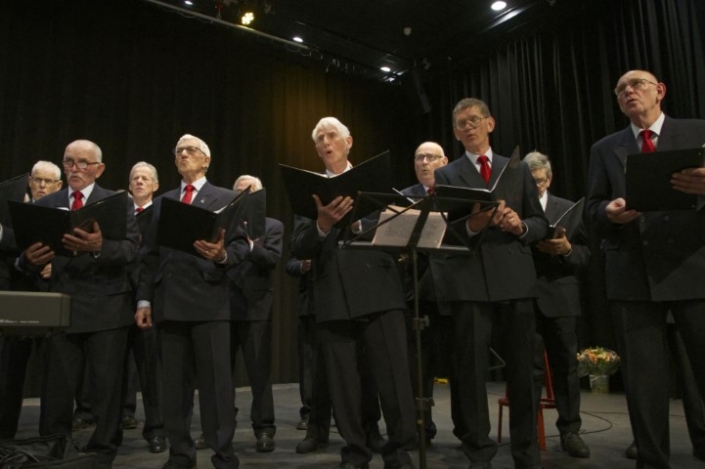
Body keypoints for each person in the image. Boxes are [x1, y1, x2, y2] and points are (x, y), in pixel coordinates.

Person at [586, 69, 705, 469]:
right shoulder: (605, 148)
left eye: (637, 85)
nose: (628, 91)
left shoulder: (698, 132)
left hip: (694, 269)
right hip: (633, 275)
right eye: (621, 89)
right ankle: (652, 460)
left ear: (660, 91)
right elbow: (591, 208)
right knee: (644, 382)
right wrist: (608, 213)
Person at [290, 117, 416, 469]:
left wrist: (362, 222)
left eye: (331, 136)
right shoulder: (308, 193)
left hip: (379, 290)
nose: (325, 142)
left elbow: (401, 229)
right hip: (332, 294)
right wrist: (322, 224)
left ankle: (398, 451)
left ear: (348, 142)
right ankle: (356, 452)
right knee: (344, 384)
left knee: (393, 378)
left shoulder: (376, 184)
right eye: (319, 139)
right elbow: (298, 246)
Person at [431, 98, 548, 469]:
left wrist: (520, 225)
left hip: (515, 280)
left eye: (474, 120)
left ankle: (526, 452)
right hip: (469, 283)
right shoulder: (446, 174)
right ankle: (479, 452)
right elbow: (443, 234)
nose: (468, 127)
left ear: (490, 123)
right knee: (470, 372)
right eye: (461, 124)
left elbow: (540, 222)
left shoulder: (517, 169)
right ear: (455, 133)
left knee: (524, 373)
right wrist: (473, 224)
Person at [17, 140, 140, 468]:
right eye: (69, 161)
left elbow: (131, 250)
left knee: (106, 387)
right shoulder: (48, 203)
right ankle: (54, 446)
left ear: (98, 169)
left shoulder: (116, 203)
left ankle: (103, 449)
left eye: (83, 163)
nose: (75, 168)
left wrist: (100, 247)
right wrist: (27, 260)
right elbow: (25, 255)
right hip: (62, 306)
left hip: (107, 307)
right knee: (57, 387)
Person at [135, 134, 249, 469]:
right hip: (169, 304)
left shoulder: (226, 198)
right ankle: (180, 455)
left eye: (191, 150)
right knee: (174, 388)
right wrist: (144, 301)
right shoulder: (162, 202)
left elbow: (240, 247)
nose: (183, 154)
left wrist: (222, 255)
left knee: (216, 387)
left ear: (206, 160)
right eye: (179, 151)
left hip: (210, 302)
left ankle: (223, 454)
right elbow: (149, 255)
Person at [523, 151, 591, 458]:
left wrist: (566, 250)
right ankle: (526, 436)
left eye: (538, 181)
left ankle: (570, 430)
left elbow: (586, 255)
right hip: (525, 296)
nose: (534, 187)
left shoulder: (566, 208)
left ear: (548, 179)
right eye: (529, 182)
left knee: (566, 366)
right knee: (528, 369)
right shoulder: (516, 208)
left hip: (561, 297)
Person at [0, 160, 62, 439]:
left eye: (48, 182)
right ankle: (5, 433)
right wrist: (22, 261)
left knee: (54, 371)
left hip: (54, 298)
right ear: (29, 181)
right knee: (10, 370)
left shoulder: (65, 209)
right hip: (19, 296)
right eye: (38, 180)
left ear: (58, 185)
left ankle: (52, 437)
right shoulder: (12, 211)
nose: (42, 185)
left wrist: (56, 265)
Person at [399, 141, 452, 445]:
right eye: (418, 157)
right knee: (418, 365)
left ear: (444, 161)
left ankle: (468, 431)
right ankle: (420, 429)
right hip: (416, 289)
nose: (424, 162)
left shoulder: (456, 193)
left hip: (454, 288)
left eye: (430, 157)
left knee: (459, 362)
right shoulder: (403, 197)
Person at [228, 175, 282, 452]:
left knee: (259, 372)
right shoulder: (224, 224)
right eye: (239, 191)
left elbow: (272, 259)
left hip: (256, 306)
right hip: (224, 305)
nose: (244, 195)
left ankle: (264, 429)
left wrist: (249, 245)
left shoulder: (272, 226)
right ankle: (221, 427)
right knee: (222, 373)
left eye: (250, 191)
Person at [119, 161, 166, 453]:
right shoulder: (118, 214)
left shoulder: (160, 214)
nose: (138, 181)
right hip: (117, 298)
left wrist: (145, 296)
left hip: (148, 299)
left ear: (155, 186)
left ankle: (156, 430)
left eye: (145, 178)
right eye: (134, 177)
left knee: (150, 369)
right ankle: (111, 426)